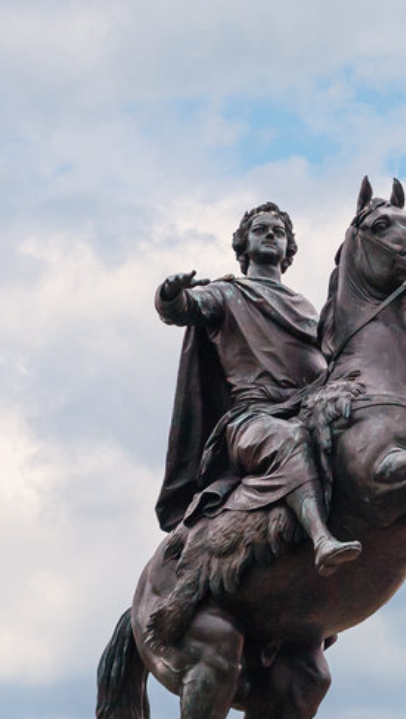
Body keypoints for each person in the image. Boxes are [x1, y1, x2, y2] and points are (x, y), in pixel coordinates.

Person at [155, 202, 361, 573]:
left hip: (305, 408)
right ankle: (321, 539)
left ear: (288, 250)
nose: (271, 235)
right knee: (291, 440)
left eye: (279, 232)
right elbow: (184, 308)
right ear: (243, 245)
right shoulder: (227, 293)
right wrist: (170, 296)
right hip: (252, 419)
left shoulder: (307, 307)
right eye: (261, 229)